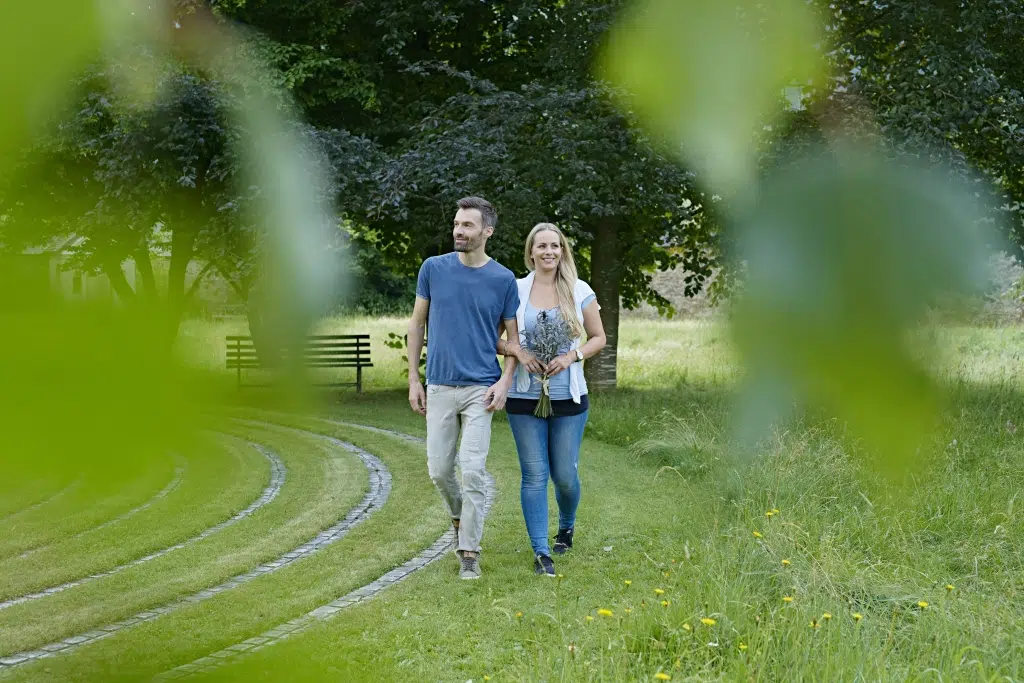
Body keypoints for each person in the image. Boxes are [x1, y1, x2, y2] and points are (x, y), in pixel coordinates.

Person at [407, 196, 520, 580]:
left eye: (468, 225)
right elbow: (417, 325)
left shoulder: (503, 279)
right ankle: (458, 516)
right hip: (438, 385)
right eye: (457, 224)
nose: (458, 230)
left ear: (487, 231)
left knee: (472, 470)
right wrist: (413, 379)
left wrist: (505, 381)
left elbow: (513, 342)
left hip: (480, 390)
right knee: (439, 471)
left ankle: (468, 551)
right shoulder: (433, 269)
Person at [499, 223, 606, 576]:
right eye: (542, 246)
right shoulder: (514, 290)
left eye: (555, 246)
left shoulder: (579, 290)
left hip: (568, 397)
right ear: (531, 252)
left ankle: (567, 525)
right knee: (533, 474)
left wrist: (571, 357)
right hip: (523, 394)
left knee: (563, 474)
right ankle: (541, 552)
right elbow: (495, 338)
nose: (549, 252)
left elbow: (598, 337)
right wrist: (520, 351)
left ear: (563, 251)